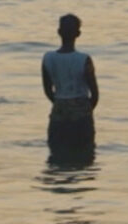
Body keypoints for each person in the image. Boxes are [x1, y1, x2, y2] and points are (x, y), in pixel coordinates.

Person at [40, 13, 100, 156]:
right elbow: (95, 93)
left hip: (59, 109)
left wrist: (59, 102)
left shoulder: (48, 58)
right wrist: (85, 108)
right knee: (84, 152)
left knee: (57, 151)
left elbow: (47, 90)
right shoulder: (84, 59)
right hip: (81, 109)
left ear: (59, 32)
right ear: (78, 34)